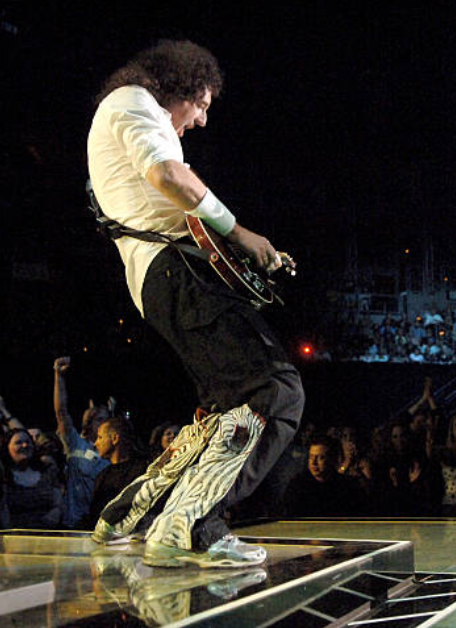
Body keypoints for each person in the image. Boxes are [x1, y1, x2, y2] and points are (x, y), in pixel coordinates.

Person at [86, 39, 304, 568]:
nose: (202, 119)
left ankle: (139, 506)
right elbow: (168, 176)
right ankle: (192, 526)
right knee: (275, 390)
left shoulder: (121, 110)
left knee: (227, 410)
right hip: (175, 277)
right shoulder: (135, 102)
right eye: (202, 102)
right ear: (178, 87)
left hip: (161, 281)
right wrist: (241, 232)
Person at [53, 356, 111, 529]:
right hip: (73, 523)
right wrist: (59, 377)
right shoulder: (75, 443)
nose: (104, 424)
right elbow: (61, 411)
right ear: (89, 423)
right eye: (99, 420)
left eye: (107, 420)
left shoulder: (113, 451)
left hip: (100, 525)